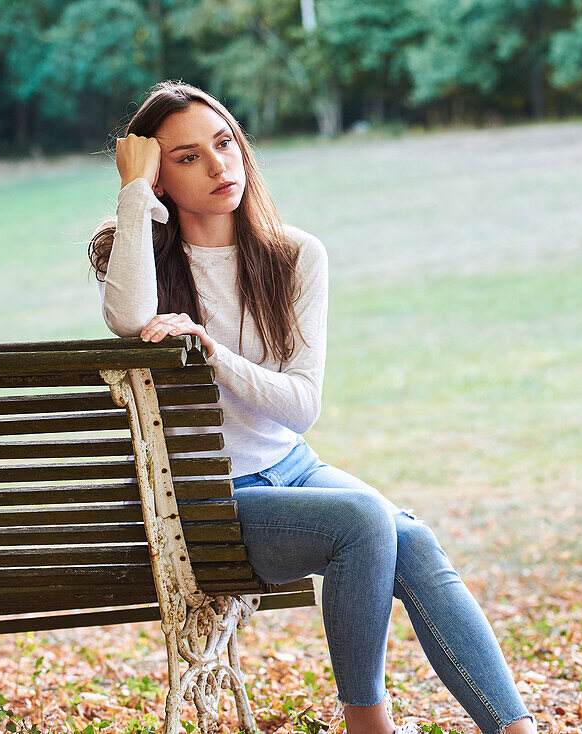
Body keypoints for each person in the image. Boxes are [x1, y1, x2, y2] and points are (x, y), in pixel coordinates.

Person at [89, 80, 538, 734]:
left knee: (411, 538)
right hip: (209, 499)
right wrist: (134, 192)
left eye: (224, 143)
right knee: (362, 520)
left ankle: (517, 730)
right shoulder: (135, 255)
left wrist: (212, 352)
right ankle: (368, 724)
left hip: (291, 467)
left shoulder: (295, 255)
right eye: (186, 158)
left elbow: (300, 406)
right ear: (159, 178)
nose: (219, 166)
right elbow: (128, 316)